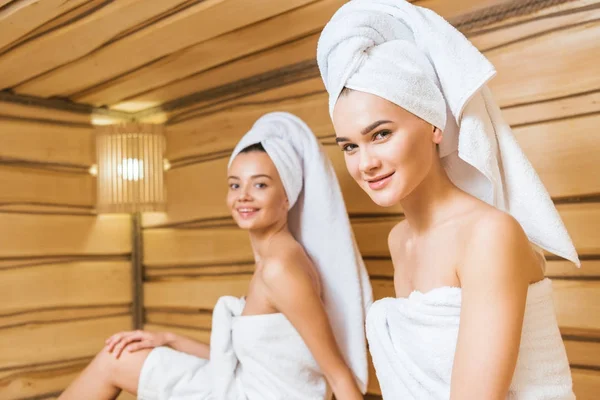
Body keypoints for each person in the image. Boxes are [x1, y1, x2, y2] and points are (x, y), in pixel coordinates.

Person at [316, 1, 579, 399]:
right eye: (350, 146)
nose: (366, 163)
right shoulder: (400, 240)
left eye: (381, 134)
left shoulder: (489, 235)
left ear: (435, 124)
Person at [58, 112, 372, 400]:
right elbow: (248, 359)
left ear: (287, 194)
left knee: (115, 360)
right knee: (119, 356)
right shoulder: (273, 258)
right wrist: (168, 338)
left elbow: (337, 374)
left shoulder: (280, 269)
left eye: (260, 185)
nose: (243, 196)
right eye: (235, 185)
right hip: (242, 386)